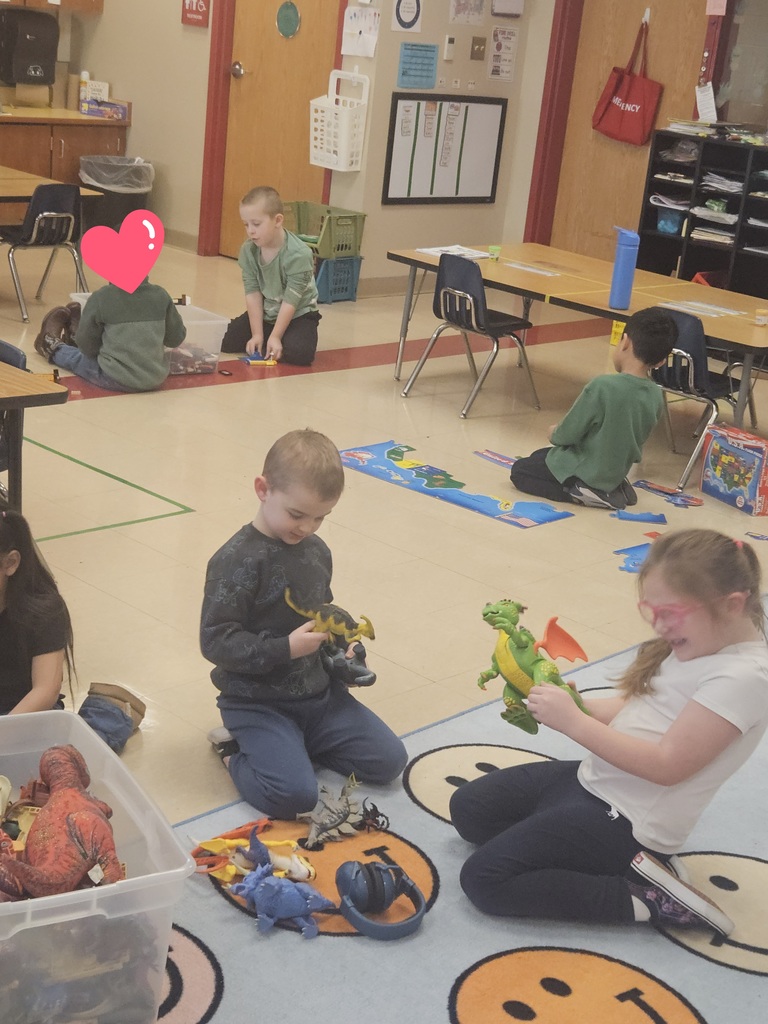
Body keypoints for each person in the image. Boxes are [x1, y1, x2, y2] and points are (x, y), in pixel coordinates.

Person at [450, 529, 768, 937]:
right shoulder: (703, 639)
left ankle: (646, 898)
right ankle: (570, 849)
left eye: (670, 613)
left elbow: (668, 766)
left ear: (732, 605)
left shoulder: (745, 677)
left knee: (484, 879)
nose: (658, 624)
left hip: (628, 822)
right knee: (470, 810)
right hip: (595, 781)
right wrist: (577, 704)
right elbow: (645, 708)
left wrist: (573, 721)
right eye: (650, 610)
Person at [200, 428, 407, 819]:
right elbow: (215, 642)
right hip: (257, 703)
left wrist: (341, 650)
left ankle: (294, 746)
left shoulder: (316, 552)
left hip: (320, 698)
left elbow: (319, 619)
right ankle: (233, 752)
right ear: (263, 488)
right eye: (297, 514)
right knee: (294, 797)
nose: (307, 528)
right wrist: (284, 648)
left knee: (389, 762)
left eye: (320, 518)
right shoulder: (233, 561)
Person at [0, 509, 145, 751]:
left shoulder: (43, 610)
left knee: (66, 762)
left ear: (11, 563)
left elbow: (45, 691)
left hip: (29, 714)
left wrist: (5, 733)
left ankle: (111, 710)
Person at [509, 307, 678, 510]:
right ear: (661, 360)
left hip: (586, 467)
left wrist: (553, 432)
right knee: (540, 456)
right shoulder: (655, 393)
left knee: (520, 471)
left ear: (625, 342)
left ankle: (581, 492)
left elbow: (568, 434)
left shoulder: (603, 386)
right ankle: (611, 486)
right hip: (615, 468)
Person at [220, 186, 321, 365]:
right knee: (224, 340)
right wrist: (257, 333)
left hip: (299, 314)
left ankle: (275, 338)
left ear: (278, 220)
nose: (250, 231)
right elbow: (252, 293)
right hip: (268, 312)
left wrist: (275, 336)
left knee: (300, 354)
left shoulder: (299, 254)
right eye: (246, 224)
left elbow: (292, 300)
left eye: (256, 224)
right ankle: (265, 337)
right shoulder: (248, 250)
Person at [34, 278, 186, 393]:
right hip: (155, 378)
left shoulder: (102, 297)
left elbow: (87, 347)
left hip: (113, 377)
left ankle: (51, 346)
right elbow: (176, 338)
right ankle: (72, 336)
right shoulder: (161, 295)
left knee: (78, 358)